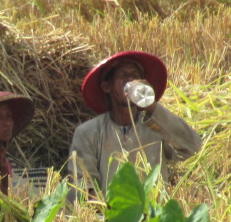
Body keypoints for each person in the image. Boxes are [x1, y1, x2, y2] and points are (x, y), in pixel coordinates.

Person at [68, 51, 202, 199]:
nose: (130, 80)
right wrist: (117, 207)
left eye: (136, 75)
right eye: (123, 76)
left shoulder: (156, 125)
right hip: (109, 217)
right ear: (107, 87)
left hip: (153, 216)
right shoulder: (89, 132)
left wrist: (152, 107)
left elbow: (192, 147)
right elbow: (83, 185)